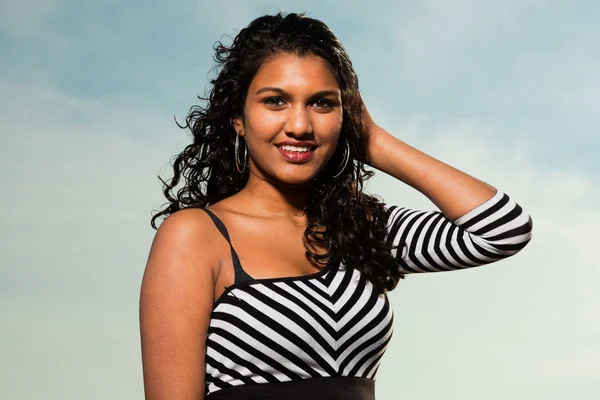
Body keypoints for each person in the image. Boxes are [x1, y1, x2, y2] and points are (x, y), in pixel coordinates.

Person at [139, 12, 533, 400]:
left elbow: (502, 228)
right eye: (275, 101)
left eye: (322, 104)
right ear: (238, 118)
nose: (299, 125)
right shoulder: (195, 236)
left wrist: (373, 141)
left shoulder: (362, 228)